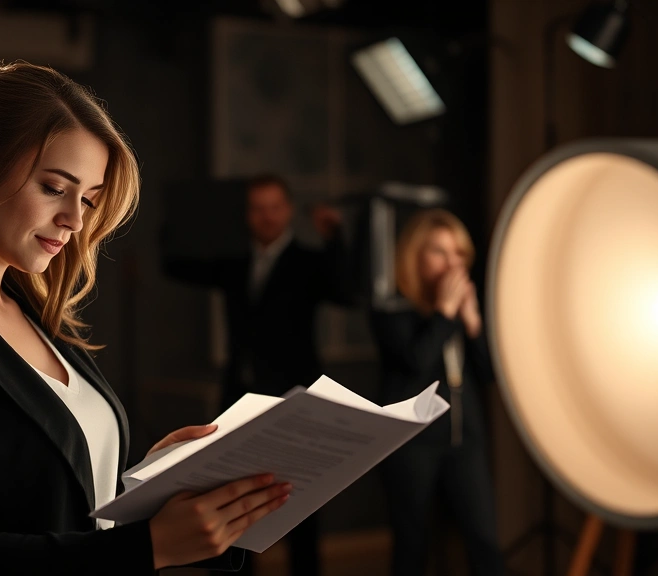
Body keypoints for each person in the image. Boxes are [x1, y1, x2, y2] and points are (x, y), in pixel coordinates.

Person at [0, 56, 293, 575]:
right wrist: (149, 547)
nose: (75, 220)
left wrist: (150, 484)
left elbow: (50, 501)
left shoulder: (29, 308)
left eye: (88, 199)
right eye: (54, 188)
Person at [163, 174, 353, 576]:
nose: (266, 216)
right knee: (235, 499)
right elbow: (176, 265)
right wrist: (182, 212)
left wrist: (334, 237)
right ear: (246, 214)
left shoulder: (308, 261)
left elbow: (347, 291)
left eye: (274, 207)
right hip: (240, 396)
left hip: (294, 398)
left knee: (301, 503)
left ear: (288, 210)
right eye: (257, 208)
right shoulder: (235, 263)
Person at [369, 208, 503, 576]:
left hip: (465, 439)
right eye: (439, 252)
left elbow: (489, 373)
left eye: (459, 253)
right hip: (412, 442)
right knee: (412, 545)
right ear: (415, 256)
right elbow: (416, 362)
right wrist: (443, 312)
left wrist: (473, 322)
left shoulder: (461, 311)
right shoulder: (392, 308)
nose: (452, 263)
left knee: (485, 541)